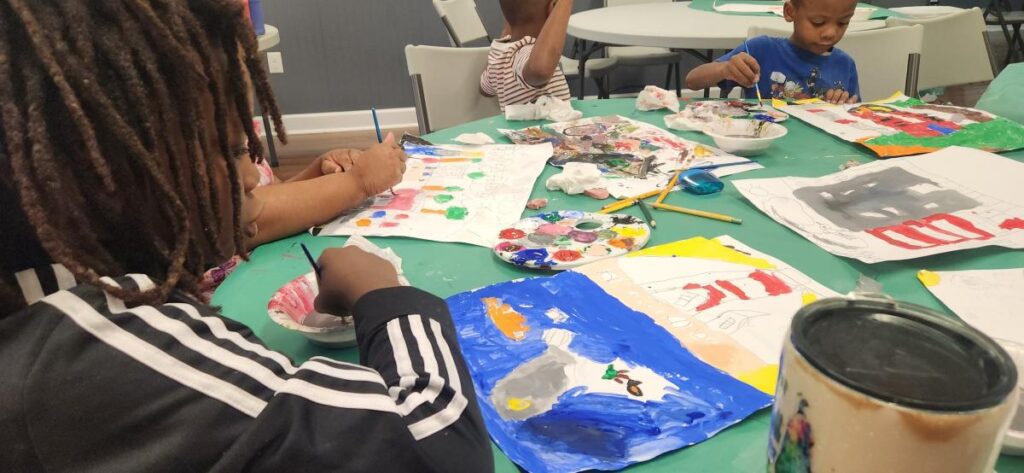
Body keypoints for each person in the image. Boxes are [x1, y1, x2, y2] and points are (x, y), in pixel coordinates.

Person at [0, 1, 492, 472]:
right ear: (110, 169)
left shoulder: (45, 277)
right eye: (236, 151)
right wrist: (383, 292)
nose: (254, 176)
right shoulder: (97, 348)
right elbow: (438, 448)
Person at [685, 0, 861, 104]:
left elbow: (856, 118)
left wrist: (843, 106)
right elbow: (693, 81)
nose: (830, 33)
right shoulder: (762, 50)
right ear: (790, 12)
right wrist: (725, 70)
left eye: (842, 23)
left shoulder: (845, 65)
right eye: (818, 22)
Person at [480, 0, 573, 110]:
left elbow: (484, 89)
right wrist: (565, 3)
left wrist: (512, 20)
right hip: (546, 126)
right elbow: (540, 71)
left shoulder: (499, 53)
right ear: (553, 8)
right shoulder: (525, 52)